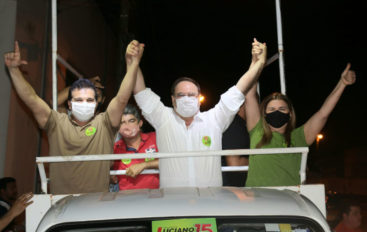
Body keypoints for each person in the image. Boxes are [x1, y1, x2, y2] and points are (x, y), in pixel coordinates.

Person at [4, 40, 144, 194]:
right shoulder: (56, 122)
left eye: (90, 100)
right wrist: (13, 70)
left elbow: (121, 98)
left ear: (97, 103)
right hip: (62, 206)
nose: (84, 103)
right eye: (79, 100)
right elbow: (31, 99)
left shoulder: (104, 123)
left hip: (97, 203)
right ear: (70, 104)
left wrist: (134, 63)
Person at [130, 39, 266, 188]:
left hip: (209, 203)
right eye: (181, 95)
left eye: (191, 95)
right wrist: (133, 62)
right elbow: (140, 93)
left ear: (199, 99)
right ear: (173, 99)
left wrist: (257, 64)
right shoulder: (163, 118)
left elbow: (239, 89)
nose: (186, 99)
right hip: (172, 203)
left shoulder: (214, 119)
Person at [244, 41, 356, 187]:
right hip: (259, 200)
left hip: (290, 202)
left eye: (282, 109)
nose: (276, 112)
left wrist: (342, 84)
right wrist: (256, 62)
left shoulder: (300, 137)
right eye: (271, 110)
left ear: (290, 114)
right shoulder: (257, 130)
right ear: (264, 115)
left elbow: (322, 114)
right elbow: (249, 95)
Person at [112, 104, 159, 190]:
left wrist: (144, 165)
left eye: (131, 121)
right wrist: (111, 178)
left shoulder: (155, 138)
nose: (127, 126)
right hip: (127, 199)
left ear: (140, 123)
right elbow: (110, 174)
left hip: (155, 196)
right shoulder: (115, 148)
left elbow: (170, 162)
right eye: (122, 122)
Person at [221, 103, 250, 186]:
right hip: (234, 191)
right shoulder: (234, 125)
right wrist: (261, 161)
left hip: (234, 189)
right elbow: (234, 163)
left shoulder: (239, 124)